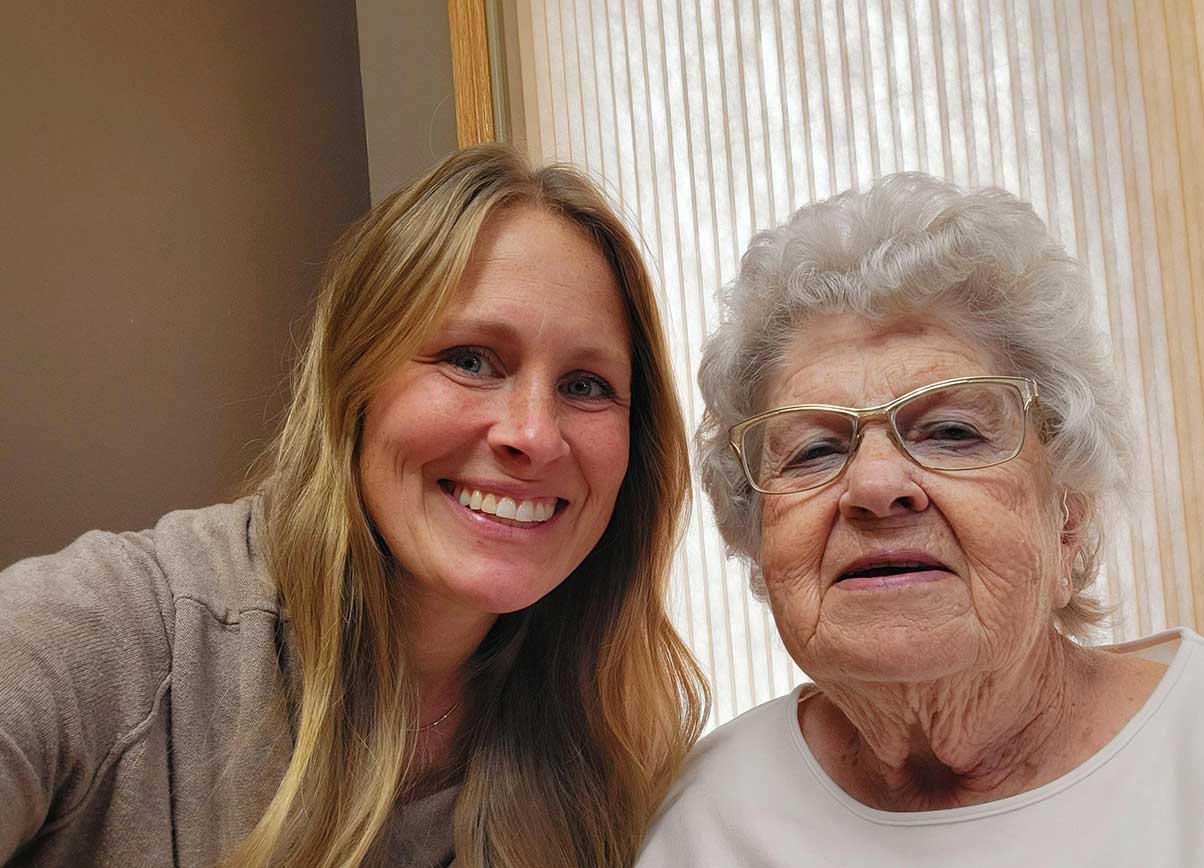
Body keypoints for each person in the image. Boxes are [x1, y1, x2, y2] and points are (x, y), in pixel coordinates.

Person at [0, 144, 706, 868]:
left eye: (585, 385)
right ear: (351, 382)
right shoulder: (110, 637)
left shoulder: (620, 754)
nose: (532, 433)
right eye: (469, 359)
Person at [637, 172, 1204, 867]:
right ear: (760, 539)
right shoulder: (704, 820)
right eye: (817, 449)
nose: (877, 487)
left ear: (1068, 518)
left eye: (951, 432)